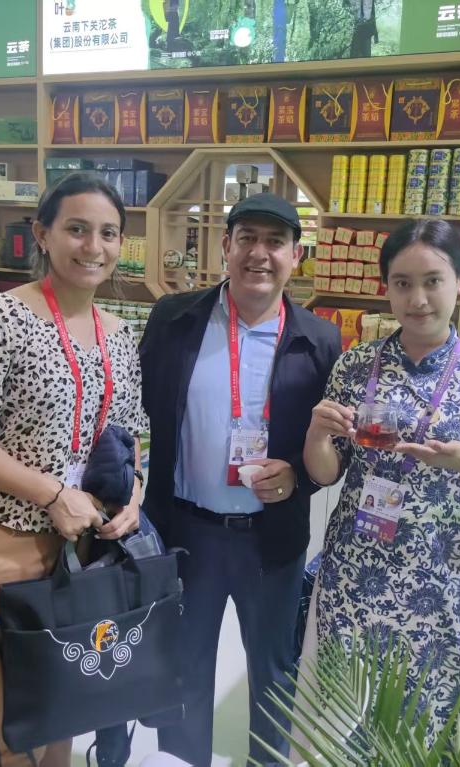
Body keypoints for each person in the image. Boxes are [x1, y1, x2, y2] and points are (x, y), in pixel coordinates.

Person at [0, 175, 147, 767]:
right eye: (77, 229)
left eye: (108, 233)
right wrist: (51, 493)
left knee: (65, 720)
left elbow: (128, 436)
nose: (93, 246)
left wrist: (134, 497)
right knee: (12, 736)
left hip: (81, 553)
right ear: (42, 234)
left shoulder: (120, 335)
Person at [302, 219, 460, 745]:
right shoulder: (356, 366)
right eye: (403, 283)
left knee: (420, 730)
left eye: (433, 281)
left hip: (436, 583)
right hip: (353, 574)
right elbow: (326, 472)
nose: (418, 299)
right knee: (341, 723)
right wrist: (318, 433)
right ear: (386, 287)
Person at [139, 193, 341, 766]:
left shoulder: (320, 339)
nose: (259, 253)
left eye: (275, 242)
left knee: (275, 677)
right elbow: (133, 409)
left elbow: (336, 445)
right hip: (187, 535)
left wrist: (298, 476)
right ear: (225, 246)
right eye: (247, 238)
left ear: (296, 256)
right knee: (183, 673)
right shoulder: (174, 320)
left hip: (271, 540)